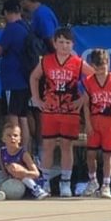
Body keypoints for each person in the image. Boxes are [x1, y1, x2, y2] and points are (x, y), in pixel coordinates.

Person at [30, 26, 86, 198]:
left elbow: (93, 79)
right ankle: (45, 181)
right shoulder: (46, 61)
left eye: (67, 42)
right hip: (51, 109)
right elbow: (34, 77)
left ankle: (65, 182)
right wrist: (36, 98)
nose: (64, 46)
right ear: (54, 43)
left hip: (69, 110)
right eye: (60, 42)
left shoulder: (78, 62)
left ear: (72, 44)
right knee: (48, 145)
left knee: (67, 146)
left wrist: (82, 99)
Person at [0, 0, 33, 151]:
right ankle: (26, 151)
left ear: (7, 13)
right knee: (23, 117)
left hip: (12, 80)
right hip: (25, 79)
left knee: (12, 117)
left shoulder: (11, 29)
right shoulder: (26, 27)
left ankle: (14, 151)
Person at [81, 48, 111, 197]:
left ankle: (106, 184)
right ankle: (93, 180)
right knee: (90, 153)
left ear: (108, 63)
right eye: (97, 68)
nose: (100, 71)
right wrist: (87, 123)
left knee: (107, 154)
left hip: (110, 120)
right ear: (92, 66)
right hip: (94, 119)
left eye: (103, 67)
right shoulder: (88, 81)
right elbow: (86, 105)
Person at [0, 121, 48, 200]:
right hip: (16, 183)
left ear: (19, 139)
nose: (12, 138)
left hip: (32, 181)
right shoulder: (1, 152)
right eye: (9, 135)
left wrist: (22, 172)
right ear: (3, 139)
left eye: (15, 135)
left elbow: (36, 174)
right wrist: (6, 184)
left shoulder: (24, 154)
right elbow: (5, 173)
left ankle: (37, 190)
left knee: (14, 167)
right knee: (2, 188)